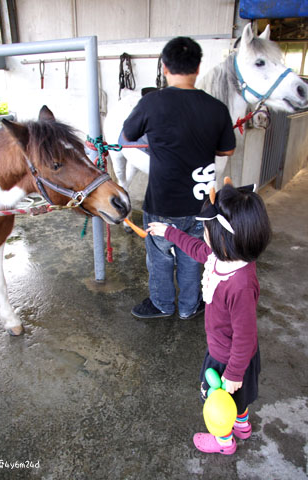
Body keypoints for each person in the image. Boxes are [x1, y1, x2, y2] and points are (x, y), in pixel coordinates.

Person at [147, 181, 272, 455]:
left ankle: (223, 441)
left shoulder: (239, 284)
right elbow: (195, 249)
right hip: (229, 352)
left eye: (206, 231)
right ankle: (243, 425)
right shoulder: (224, 257)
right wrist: (169, 232)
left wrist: (234, 372)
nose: (203, 235)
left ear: (225, 238)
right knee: (238, 400)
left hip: (229, 357)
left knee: (219, 403)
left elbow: (246, 334)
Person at [123, 36, 236, 320]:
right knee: (192, 254)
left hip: (162, 203)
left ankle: (163, 305)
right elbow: (227, 149)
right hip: (201, 204)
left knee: (160, 257)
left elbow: (127, 137)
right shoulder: (217, 108)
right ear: (198, 67)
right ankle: (189, 306)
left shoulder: (152, 102)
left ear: (164, 67)